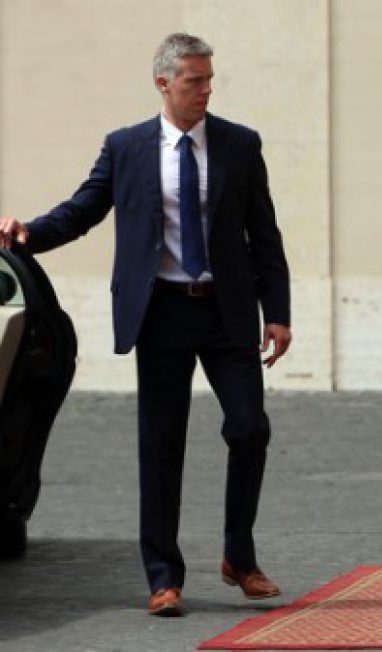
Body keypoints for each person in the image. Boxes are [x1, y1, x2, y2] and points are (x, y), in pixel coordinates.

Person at [0, 32, 291, 617]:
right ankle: (163, 577)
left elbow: (264, 233)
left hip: (226, 310)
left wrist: (278, 312)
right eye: (194, 81)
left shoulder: (239, 144)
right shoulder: (127, 147)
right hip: (159, 312)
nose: (206, 89)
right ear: (164, 82)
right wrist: (27, 233)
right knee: (161, 444)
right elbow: (83, 210)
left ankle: (240, 555)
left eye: (210, 79)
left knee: (249, 427)